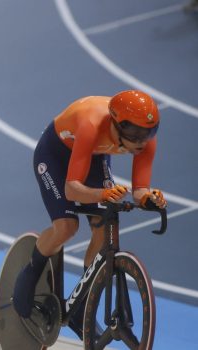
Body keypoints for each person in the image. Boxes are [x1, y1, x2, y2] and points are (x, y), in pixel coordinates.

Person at [12, 90, 167, 340]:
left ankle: (82, 305)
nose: (142, 142)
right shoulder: (91, 124)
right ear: (117, 126)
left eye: (148, 133)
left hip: (93, 156)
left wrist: (150, 198)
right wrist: (102, 195)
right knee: (66, 227)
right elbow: (71, 188)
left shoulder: (145, 139)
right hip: (54, 155)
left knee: (103, 226)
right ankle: (30, 273)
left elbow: (139, 191)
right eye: (136, 135)